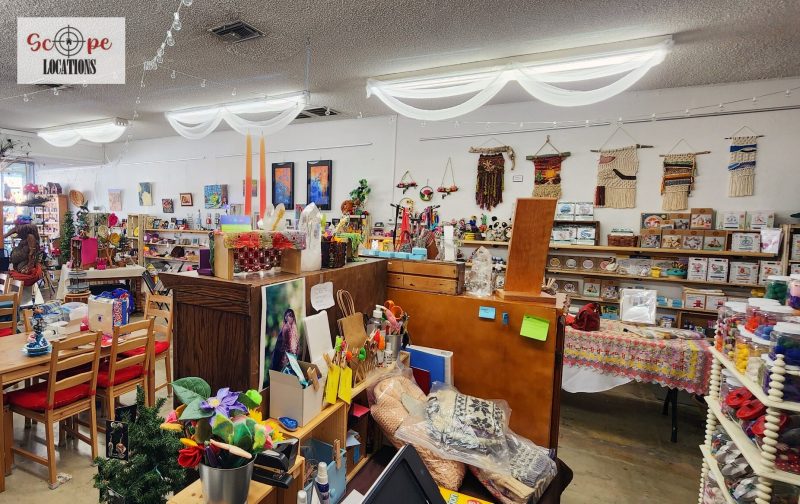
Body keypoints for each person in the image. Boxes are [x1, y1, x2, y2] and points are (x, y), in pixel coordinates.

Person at [4, 216, 43, 285]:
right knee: (18, 268)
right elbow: (14, 230)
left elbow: (32, 253)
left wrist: (30, 264)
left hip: (27, 261)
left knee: (21, 269)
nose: (17, 233)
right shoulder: (26, 237)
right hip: (22, 260)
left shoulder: (30, 236)